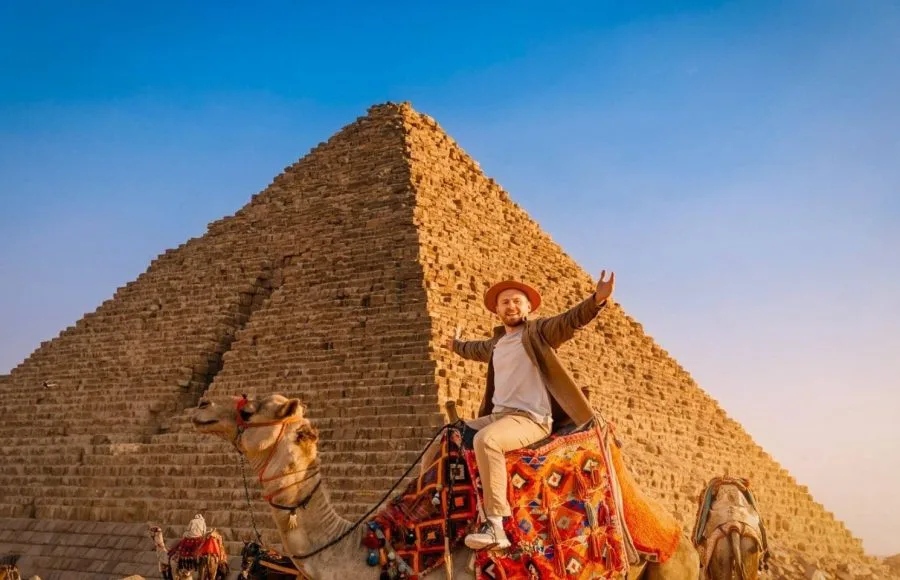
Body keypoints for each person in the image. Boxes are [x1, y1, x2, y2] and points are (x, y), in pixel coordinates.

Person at [444, 271, 615, 550]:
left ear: (528, 308)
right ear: (496, 310)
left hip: (531, 419)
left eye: (517, 301)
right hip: (500, 416)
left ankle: (496, 525)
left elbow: (569, 321)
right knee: (449, 433)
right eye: (505, 302)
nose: (511, 306)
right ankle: (448, 508)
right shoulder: (496, 344)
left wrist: (597, 300)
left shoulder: (538, 333)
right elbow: (472, 349)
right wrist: (455, 345)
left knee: (486, 440)